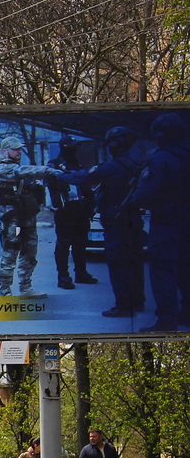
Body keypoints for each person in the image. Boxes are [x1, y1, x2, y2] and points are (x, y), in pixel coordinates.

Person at [124, 112, 190, 333]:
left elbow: (145, 194)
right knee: (185, 268)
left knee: (163, 271)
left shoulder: (160, 159)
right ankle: (187, 313)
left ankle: (166, 321)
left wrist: (134, 200)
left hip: (166, 222)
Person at [89, 126, 147, 318]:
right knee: (135, 263)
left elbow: (84, 179)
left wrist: (58, 174)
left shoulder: (112, 167)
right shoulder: (135, 163)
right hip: (133, 222)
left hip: (117, 222)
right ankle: (137, 301)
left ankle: (123, 306)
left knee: (118, 264)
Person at [0, 135, 57, 298]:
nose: (18, 151)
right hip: (14, 222)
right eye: (15, 149)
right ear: (5, 151)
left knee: (29, 253)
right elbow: (21, 172)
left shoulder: (19, 169)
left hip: (27, 218)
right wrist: (47, 170)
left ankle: (26, 287)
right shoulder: (1, 169)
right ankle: (5, 291)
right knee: (10, 253)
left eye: (19, 149)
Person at [45, 137, 98, 290]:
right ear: (65, 147)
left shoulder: (78, 163)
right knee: (64, 243)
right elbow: (51, 184)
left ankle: (81, 273)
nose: (74, 150)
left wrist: (90, 204)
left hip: (80, 208)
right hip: (64, 209)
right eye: (72, 147)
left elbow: (86, 185)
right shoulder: (55, 165)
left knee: (80, 242)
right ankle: (63, 276)